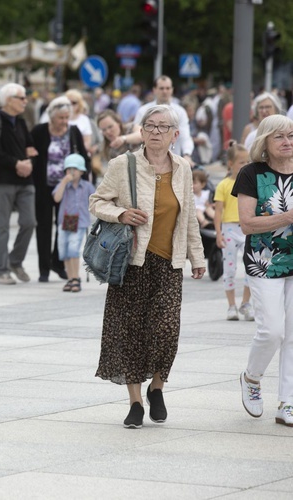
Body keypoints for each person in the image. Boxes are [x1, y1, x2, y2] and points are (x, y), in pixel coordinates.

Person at [90, 104, 205, 429]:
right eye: (150, 126)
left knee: (166, 330)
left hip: (169, 263)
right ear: (141, 132)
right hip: (131, 263)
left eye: (162, 127)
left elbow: (189, 219)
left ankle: (157, 387)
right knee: (130, 334)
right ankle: (136, 402)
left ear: (175, 135)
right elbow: (96, 202)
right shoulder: (123, 164)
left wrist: (196, 257)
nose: (155, 131)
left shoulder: (182, 168)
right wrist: (121, 214)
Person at [234, 115, 293, 426]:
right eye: (280, 137)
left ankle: (288, 401)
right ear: (265, 142)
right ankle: (252, 378)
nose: (288, 141)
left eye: (292, 135)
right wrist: (288, 217)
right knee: (272, 331)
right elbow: (247, 224)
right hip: (264, 261)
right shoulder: (251, 174)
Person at [0, 82, 37, 285]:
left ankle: (15, 260)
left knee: (29, 221)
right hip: (3, 179)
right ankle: (2, 270)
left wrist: (28, 161)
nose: (25, 101)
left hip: (26, 179)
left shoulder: (21, 121)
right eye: (21, 98)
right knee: (2, 225)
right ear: (8, 100)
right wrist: (16, 163)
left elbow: (30, 147)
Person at [30, 96, 89, 283]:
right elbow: (32, 155)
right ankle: (44, 268)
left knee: (67, 226)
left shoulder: (73, 131)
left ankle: (60, 263)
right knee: (43, 226)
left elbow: (83, 159)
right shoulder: (39, 131)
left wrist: (84, 186)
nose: (64, 121)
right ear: (51, 117)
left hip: (70, 190)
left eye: (66, 117)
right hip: (45, 187)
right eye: (60, 118)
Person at [213, 142, 253, 321]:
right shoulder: (223, 185)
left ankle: (246, 303)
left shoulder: (251, 183)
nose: (245, 165)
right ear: (231, 164)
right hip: (229, 228)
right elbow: (218, 212)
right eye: (241, 162)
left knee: (251, 268)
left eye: (247, 162)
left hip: (247, 229)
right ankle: (231, 306)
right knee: (229, 269)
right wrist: (218, 233)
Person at [124, 76, 194, 163]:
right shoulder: (143, 110)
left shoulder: (180, 112)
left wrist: (187, 154)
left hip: (173, 161)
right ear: (154, 90)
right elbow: (138, 134)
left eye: (168, 88)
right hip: (147, 161)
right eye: (161, 88)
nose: (165, 91)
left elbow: (185, 136)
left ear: (172, 90)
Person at [51, 153, 95, 292]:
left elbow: (95, 200)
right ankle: (70, 278)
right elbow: (56, 199)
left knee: (73, 250)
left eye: (74, 169)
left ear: (81, 171)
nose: (71, 172)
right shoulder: (63, 185)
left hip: (79, 222)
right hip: (65, 221)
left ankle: (76, 277)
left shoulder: (87, 186)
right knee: (64, 251)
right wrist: (64, 182)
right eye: (68, 169)